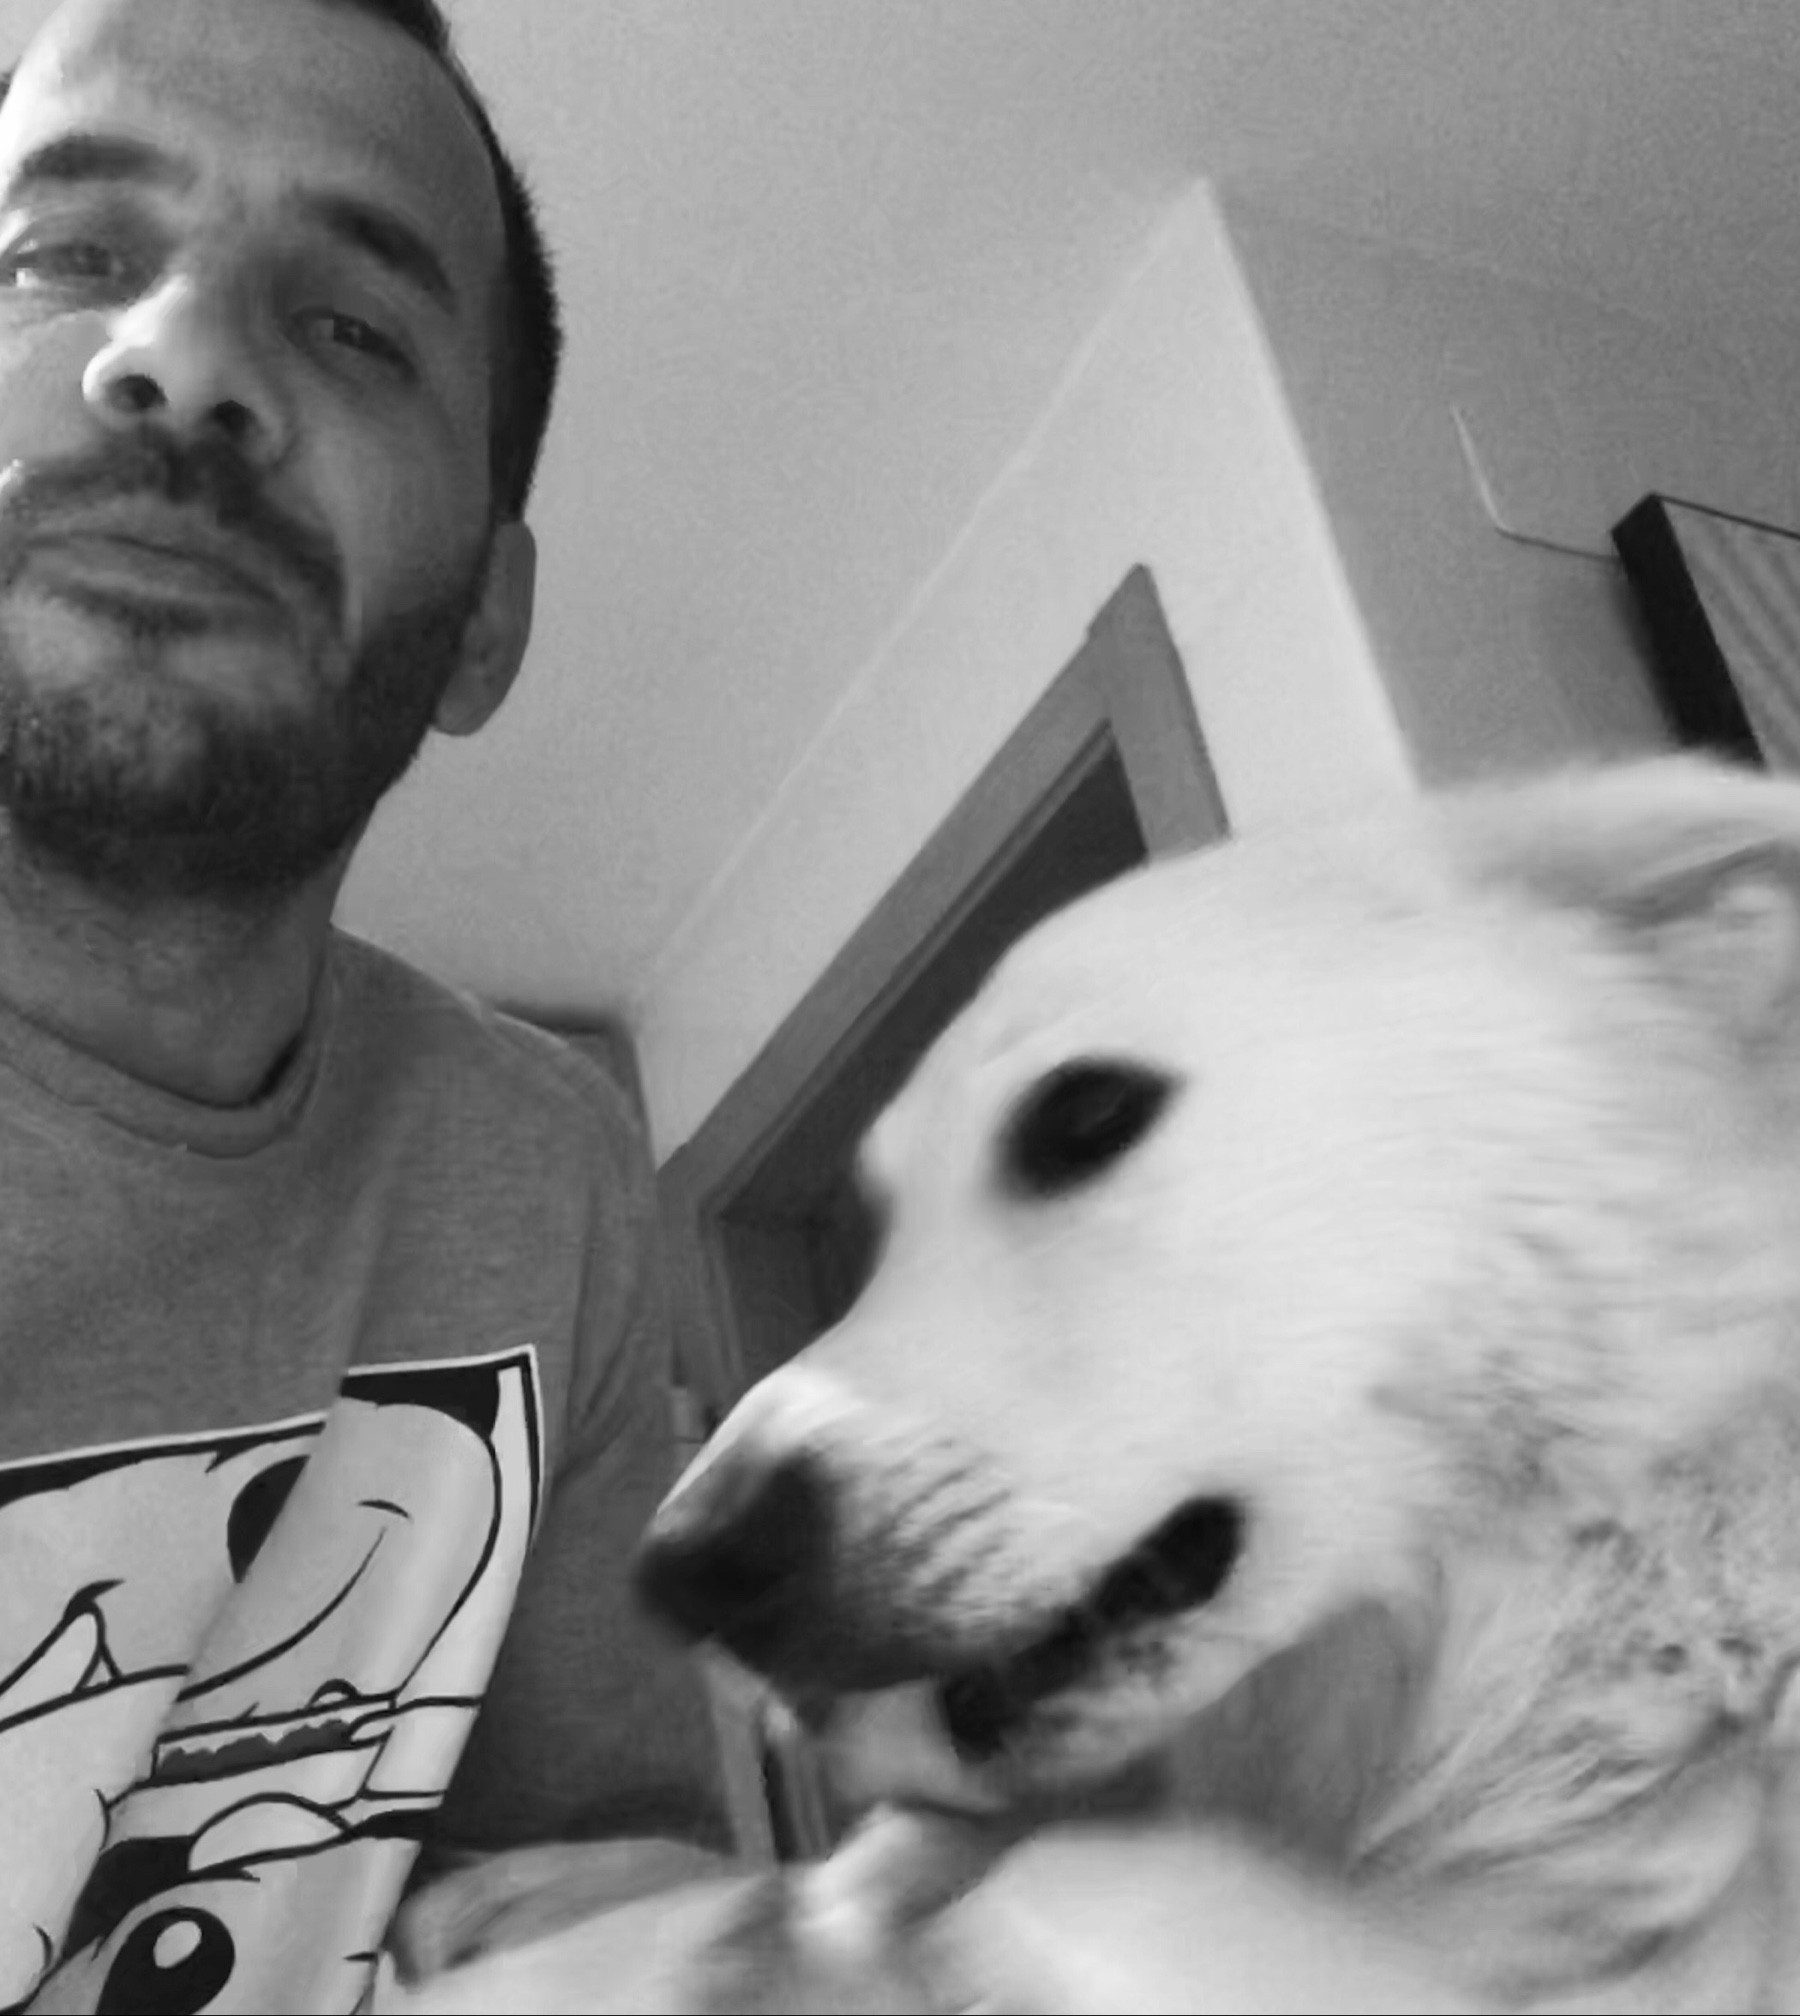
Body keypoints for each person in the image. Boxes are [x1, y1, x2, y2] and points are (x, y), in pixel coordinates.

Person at [0, 0, 725, 2007]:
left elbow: (583, 1890)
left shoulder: (546, 1172)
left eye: (349, 325)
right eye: (66, 255)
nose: (180, 358)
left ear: (484, 620)